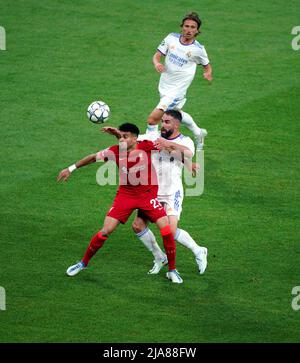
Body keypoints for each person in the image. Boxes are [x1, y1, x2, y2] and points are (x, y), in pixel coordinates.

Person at [57, 123, 184, 283]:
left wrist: (186, 160)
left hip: (147, 195)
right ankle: (82, 263)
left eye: (125, 136)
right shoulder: (115, 151)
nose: (121, 140)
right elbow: (92, 157)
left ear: (135, 138)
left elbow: (176, 151)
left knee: (166, 230)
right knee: (105, 231)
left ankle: (172, 270)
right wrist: (70, 168)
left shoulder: (146, 146)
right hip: (126, 195)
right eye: (120, 136)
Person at [103, 111, 208, 276]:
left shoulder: (185, 141)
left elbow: (188, 153)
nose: (162, 125)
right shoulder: (154, 137)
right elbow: (132, 140)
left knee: (171, 231)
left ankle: (199, 250)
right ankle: (159, 257)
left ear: (176, 125)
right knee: (138, 226)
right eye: (162, 121)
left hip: (172, 191)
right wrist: (117, 133)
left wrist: (168, 145)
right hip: (151, 191)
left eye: (167, 122)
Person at [147, 11, 213, 150]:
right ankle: (198, 133)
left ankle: (150, 145)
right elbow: (157, 56)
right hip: (164, 86)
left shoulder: (198, 49)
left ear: (197, 30)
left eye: (193, 27)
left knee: (153, 120)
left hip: (177, 91)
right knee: (176, 113)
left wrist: (207, 73)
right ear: (182, 27)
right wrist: (157, 64)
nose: (189, 30)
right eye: (187, 26)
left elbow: (207, 66)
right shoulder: (171, 38)